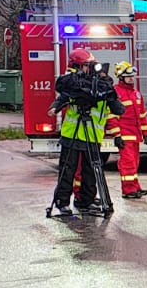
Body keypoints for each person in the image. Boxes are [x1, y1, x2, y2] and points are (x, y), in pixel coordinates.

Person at [48, 48, 123, 217]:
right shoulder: (74, 84)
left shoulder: (100, 87)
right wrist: (55, 107)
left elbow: (118, 109)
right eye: (86, 66)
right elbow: (64, 96)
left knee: (91, 172)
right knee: (68, 171)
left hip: (92, 136)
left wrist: (108, 90)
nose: (89, 69)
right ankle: (62, 202)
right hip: (73, 134)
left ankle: (86, 201)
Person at [112, 61, 147, 199]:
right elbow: (112, 116)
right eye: (129, 77)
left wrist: (146, 132)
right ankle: (128, 190)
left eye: (133, 76)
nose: (132, 79)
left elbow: (142, 114)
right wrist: (117, 135)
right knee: (127, 163)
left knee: (134, 163)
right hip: (125, 135)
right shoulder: (116, 93)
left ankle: (135, 187)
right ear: (121, 77)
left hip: (135, 135)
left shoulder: (135, 93)